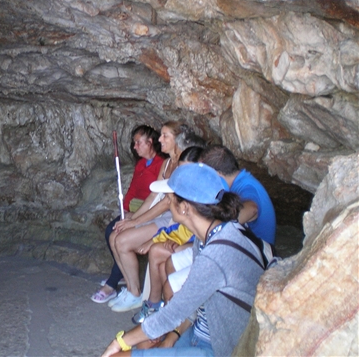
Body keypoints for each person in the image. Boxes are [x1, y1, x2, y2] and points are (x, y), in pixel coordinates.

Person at [100, 163, 266, 357]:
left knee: (117, 354)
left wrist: (119, 341)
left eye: (170, 200)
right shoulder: (210, 237)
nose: (168, 205)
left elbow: (173, 313)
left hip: (219, 348)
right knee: (145, 344)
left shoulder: (217, 254)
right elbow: (191, 304)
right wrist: (173, 336)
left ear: (185, 208)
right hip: (199, 331)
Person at [106, 121, 184, 312]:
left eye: (165, 136)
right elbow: (153, 197)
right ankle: (132, 290)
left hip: (171, 218)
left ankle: (135, 293)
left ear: (177, 140)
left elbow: (167, 202)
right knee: (115, 235)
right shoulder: (166, 164)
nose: (160, 139)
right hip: (160, 213)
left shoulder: (182, 165)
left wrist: (136, 221)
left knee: (123, 241)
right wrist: (130, 220)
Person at [91, 125, 165, 303]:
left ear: (150, 142)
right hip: (134, 209)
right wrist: (124, 210)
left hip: (148, 212)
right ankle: (125, 275)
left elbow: (155, 198)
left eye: (138, 143)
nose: (135, 147)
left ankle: (113, 282)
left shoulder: (161, 164)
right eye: (134, 143)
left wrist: (134, 218)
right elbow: (132, 190)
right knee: (111, 230)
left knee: (119, 237)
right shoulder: (141, 164)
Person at [132, 146, 204, 324]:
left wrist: (186, 245)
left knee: (164, 258)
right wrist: (156, 239)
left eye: (169, 201)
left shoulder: (199, 201)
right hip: (197, 246)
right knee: (157, 250)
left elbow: (204, 234)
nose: (168, 204)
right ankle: (156, 305)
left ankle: (171, 316)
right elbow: (181, 230)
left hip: (203, 252)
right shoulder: (190, 201)